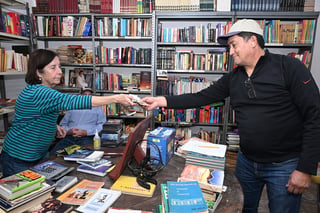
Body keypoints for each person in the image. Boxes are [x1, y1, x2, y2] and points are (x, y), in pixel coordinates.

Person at [141, 19, 320, 213]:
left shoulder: (289, 67)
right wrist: (161, 101)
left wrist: (305, 169)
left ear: (252, 41)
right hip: (247, 162)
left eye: (234, 45)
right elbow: (200, 97)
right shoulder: (234, 77)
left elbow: (315, 115)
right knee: (242, 208)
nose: (231, 51)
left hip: (284, 165)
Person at [1, 49, 135, 177]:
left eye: (59, 67)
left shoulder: (38, 90)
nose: (60, 72)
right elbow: (75, 101)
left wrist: (54, 126)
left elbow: (33, 117)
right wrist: (116, 98)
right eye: (53, 68)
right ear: (38, 73)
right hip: (19, 158)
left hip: (37, 154)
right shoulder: (39, 92)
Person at [49, 87, 106, 155]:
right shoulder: (73, 108)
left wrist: (86, 132)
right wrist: (68, 131)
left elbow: (100, 126)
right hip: (70, 137)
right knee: (53, 154)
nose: (87, 97)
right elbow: (63, 124)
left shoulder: (98, 109)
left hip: (87, 138)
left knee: (85, 156)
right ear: (81, 96)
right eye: (85, 95)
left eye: (89, 95)